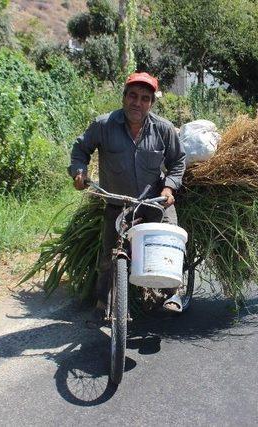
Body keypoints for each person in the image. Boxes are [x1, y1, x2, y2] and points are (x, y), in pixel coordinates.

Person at [68, 72, 186, 315]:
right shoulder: (103, 125)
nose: (137, 102)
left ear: (151, 103)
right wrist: (79, 172)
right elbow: (81, 150)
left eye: (145, 98)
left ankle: (173, 292)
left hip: (155, 203)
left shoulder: (163, 129)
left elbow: (178, 161)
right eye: (133, 96)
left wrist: (169, 187)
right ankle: (104, 301)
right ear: (123, 98)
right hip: (117, 204)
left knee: (168, 243)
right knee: (107, 259)